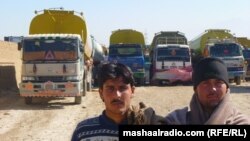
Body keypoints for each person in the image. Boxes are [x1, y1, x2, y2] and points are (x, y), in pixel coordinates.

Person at [71, 62, 163, 141]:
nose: (117, 95)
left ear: (132, 91)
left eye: (122, 88)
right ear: (101, 93)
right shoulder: (83, 132)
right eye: (110, 88)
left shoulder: (147, 123)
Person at [165, 57, 250, 124]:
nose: (213, 89)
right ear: (195, 89)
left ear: (227, 88)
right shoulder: (177, 120)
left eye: (218, 83)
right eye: (206, 83)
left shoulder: (240, 122)